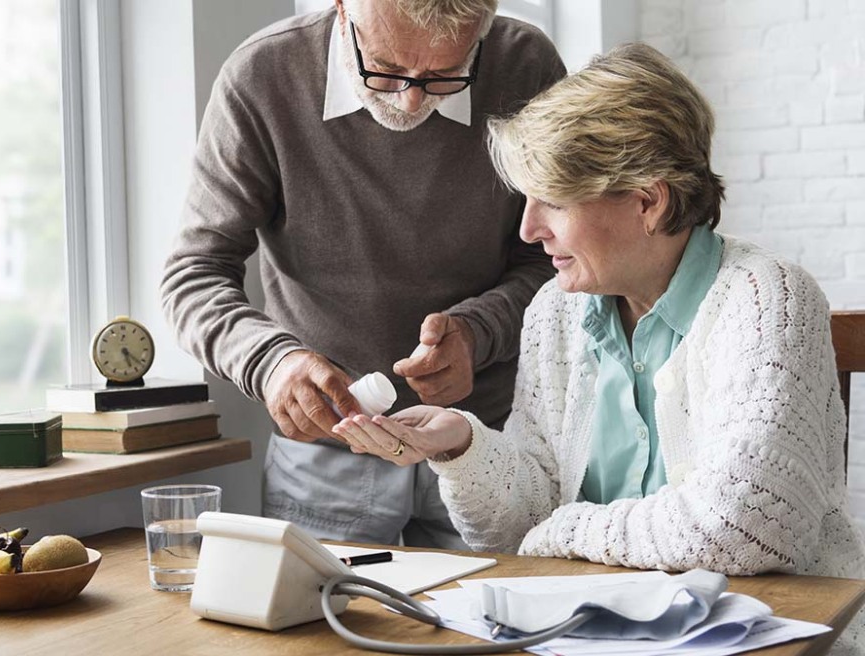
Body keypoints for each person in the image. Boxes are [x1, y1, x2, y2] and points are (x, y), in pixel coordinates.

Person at [333, 41, 865, 588]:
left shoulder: (766, 300)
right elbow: (523, 519)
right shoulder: (555, 312)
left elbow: (749, 525)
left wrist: (563, 532)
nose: (528, 229)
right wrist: (462, 445)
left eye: (554, 201)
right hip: (602, 626)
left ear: (647, 201)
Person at [161, 0, 565, 549]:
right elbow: (194, 274)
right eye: (388, 67)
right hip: (326, 453)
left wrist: (478, 333)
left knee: (496, 629)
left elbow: (553, 257)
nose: (412, 98)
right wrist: (271, 363)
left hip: (488, 442)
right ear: (343, 7)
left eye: (446, 74)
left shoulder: (525, 65)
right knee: (315, 629)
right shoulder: (263, 76)